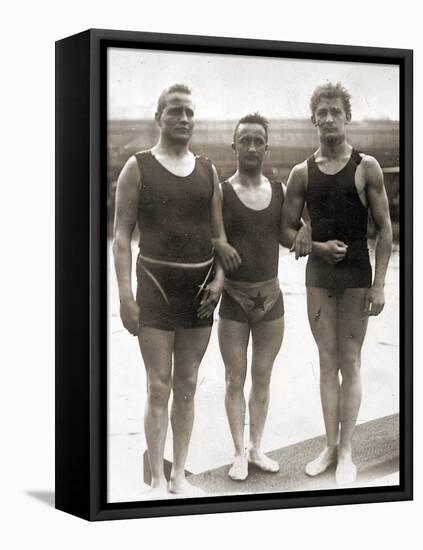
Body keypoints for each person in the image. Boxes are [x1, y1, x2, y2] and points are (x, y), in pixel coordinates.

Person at [112, 84, 240, 497]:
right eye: (175, 112)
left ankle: (180, 474)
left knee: (187, 384)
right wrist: (124, 296)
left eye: (189, 112)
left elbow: (219, 236)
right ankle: (155, 478)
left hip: (199, 289)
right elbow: (120, 238)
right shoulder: (138, 166)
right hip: (154, 286)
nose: (184, 119)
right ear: (159, 118)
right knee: (157, 386)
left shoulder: (207, 171)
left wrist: (220, 280)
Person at [280, 82, 393, 485]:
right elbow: (284, 229)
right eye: (321, 112)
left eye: (335, 111)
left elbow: (385, 231)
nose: (328, 118)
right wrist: (309, 241)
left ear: (347, 117)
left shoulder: (366, 168)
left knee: (351, 361)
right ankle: (330, 446)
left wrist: (380, 285)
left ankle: (347, 452)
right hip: (320, 279)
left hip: (358, 277)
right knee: (327, 363)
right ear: (313, 119)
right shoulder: (300, 173)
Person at [215, 113, 311, 481]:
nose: (252, 146)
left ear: (267, 147)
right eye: (245, 140)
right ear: (234, 145)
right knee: (233, 378)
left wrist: (307, 230)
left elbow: (289, 233)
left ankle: (256, 447)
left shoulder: (279, 190)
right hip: (234, 299)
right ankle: (238, 453)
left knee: (264, 375)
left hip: (271, 296)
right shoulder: (222, 192)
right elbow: (215, 242)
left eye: (259, 140)